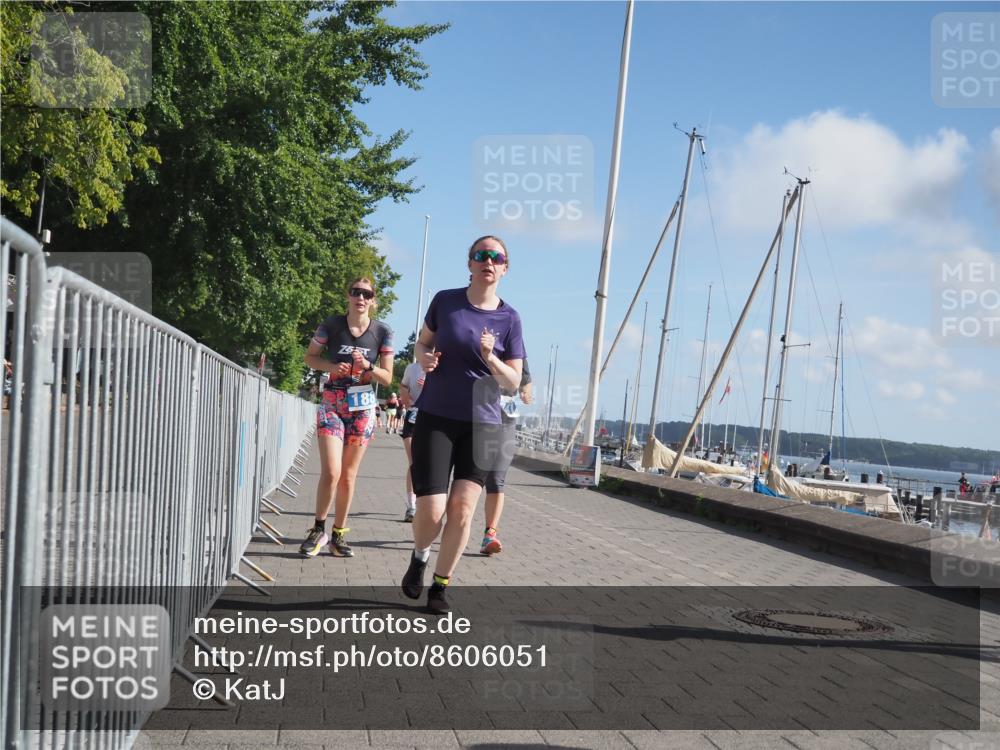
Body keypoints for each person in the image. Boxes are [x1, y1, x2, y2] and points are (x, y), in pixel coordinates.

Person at [402, 236, 524, 613]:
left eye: (496, 257)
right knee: (433, 510)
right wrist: (423, 359)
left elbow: (513, 381)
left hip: (483, 424)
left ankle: (440, 586)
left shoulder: (510, 319)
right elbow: (422, 344)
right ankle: (420, 556)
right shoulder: (446, 301)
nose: (488, 261)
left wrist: (491, 358)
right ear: (470, 263)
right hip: (437, 417)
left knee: (463, 510)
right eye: (481, 255)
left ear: (505, 268)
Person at [299, 277, 393, 558]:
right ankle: (318, 529)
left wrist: (369, 366)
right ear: (348, 296)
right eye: (356, 292)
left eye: (367, 293)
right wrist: (331, 366)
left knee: (348, 476)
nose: (360, 298)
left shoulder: (382, 331)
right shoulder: (331, 324)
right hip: (333, 401)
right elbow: (310, 357)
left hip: (362, 405)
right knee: (331, 471)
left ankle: (338, 535)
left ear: (373, 300)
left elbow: (387, 378)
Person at [481, 359, 532, 555]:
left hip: (506, 416)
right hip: (476, 414)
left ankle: (490, 535)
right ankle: (457, 528)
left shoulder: (514, 341)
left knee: (496, 478)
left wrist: (526, 391)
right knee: (470, 479)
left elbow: (525, 378)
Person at [398, 360, 426, 522]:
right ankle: (411, 506)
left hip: (433, 419)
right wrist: (408, 401)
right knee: (414, 462)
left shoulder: (444, 365)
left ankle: (426, 504)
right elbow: (403, 386)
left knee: (427, 464)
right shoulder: (413, 367)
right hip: (413, 417)